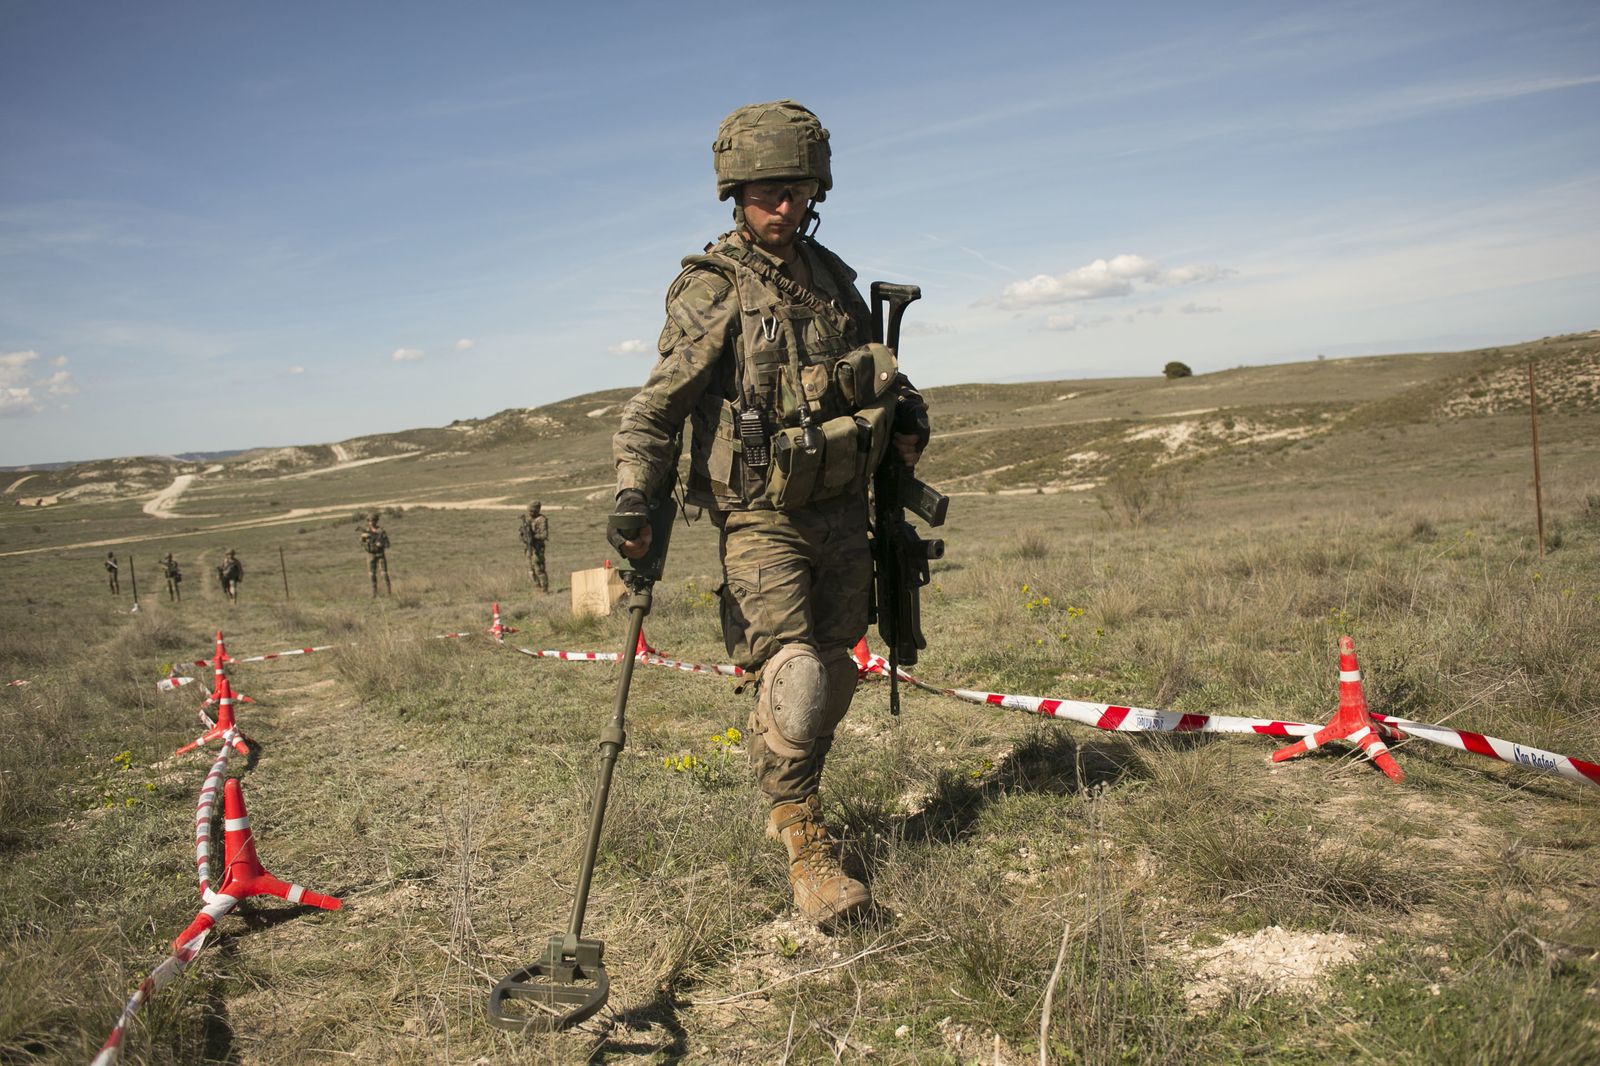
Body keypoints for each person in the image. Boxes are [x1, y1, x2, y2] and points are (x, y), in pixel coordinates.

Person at [611, 100, 929, 925]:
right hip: (761, 518)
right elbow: (657, 408)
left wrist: (910, 419)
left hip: (840, 512)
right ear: (734, 194)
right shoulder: (712, 288)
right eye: (762, 192)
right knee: (794, 674)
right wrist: (633, 495)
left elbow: (879, 373)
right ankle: (806, 844)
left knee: (837, 668)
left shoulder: (832, 279)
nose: (779, 206)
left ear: (815, 187)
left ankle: (794, 793)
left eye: (793, 188)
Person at [518, 501, 549, 593]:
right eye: (529, 511)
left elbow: (544, 535)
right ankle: (537, 587)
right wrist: (524, 537)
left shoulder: (542, 519)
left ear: (537, 510)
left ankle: (544, 589)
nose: (530, 513)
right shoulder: (527, 520)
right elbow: (521, 533)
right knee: (531, 570)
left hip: (538, 548)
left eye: (532, 511)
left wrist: (533, 537)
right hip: (529, 548)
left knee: (539, 569)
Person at [359, 513, 392, 596]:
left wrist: (381, 544)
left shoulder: (381, 531)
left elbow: (387, 544)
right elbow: (361, 543)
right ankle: (374, 593)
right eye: (369, 521)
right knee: (371, 574)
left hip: (380, 553)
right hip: (370, 554)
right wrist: (364, 539)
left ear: (376, 521)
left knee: (384, 573)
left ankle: (389, 592)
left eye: (373, 520)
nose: (371, 522)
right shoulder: (366, 531)